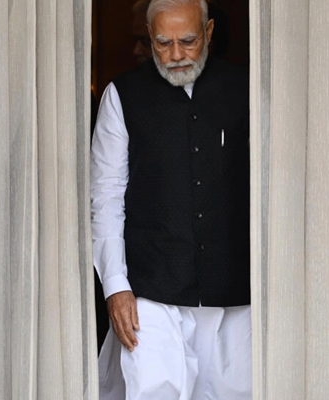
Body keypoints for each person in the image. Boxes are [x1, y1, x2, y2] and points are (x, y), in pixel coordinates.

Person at [90, 0, 251, 398]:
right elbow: (106, 196)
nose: (176, 54)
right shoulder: (121, 96)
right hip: (151, 289)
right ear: (149, 37)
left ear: (209, 32)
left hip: (235, 292)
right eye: (163, 43)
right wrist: (115, 285)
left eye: (188, 41)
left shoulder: (249, 89)